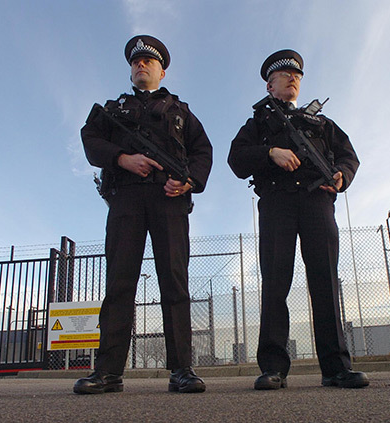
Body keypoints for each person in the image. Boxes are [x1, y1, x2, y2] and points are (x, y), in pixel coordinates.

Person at [74, 35, 212, 394]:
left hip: (169, 199)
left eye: (148, 62)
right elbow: (90, 139)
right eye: (136, 62)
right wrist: (122, 159)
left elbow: (203, 150)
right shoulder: (111, 109)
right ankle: (108, 371)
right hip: (126, 199)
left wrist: (190, 182)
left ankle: (181, 368)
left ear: (162, 71)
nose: (141, 65)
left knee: (174, 282)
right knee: (120, 282)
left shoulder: (181, 111)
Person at [228, 49, 369, 390]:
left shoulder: (322, 123)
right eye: (284, 75)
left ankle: (336, 367)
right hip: (277, 203)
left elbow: (350, 157)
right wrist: (269, 153)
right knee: (276, 282)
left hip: (318, 202)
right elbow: (236, 159)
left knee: (325, 281)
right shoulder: (258, 123)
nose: (292, 78)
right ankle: (273, 367)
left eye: (297, 75)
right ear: (269, 85)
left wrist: (342, 175)